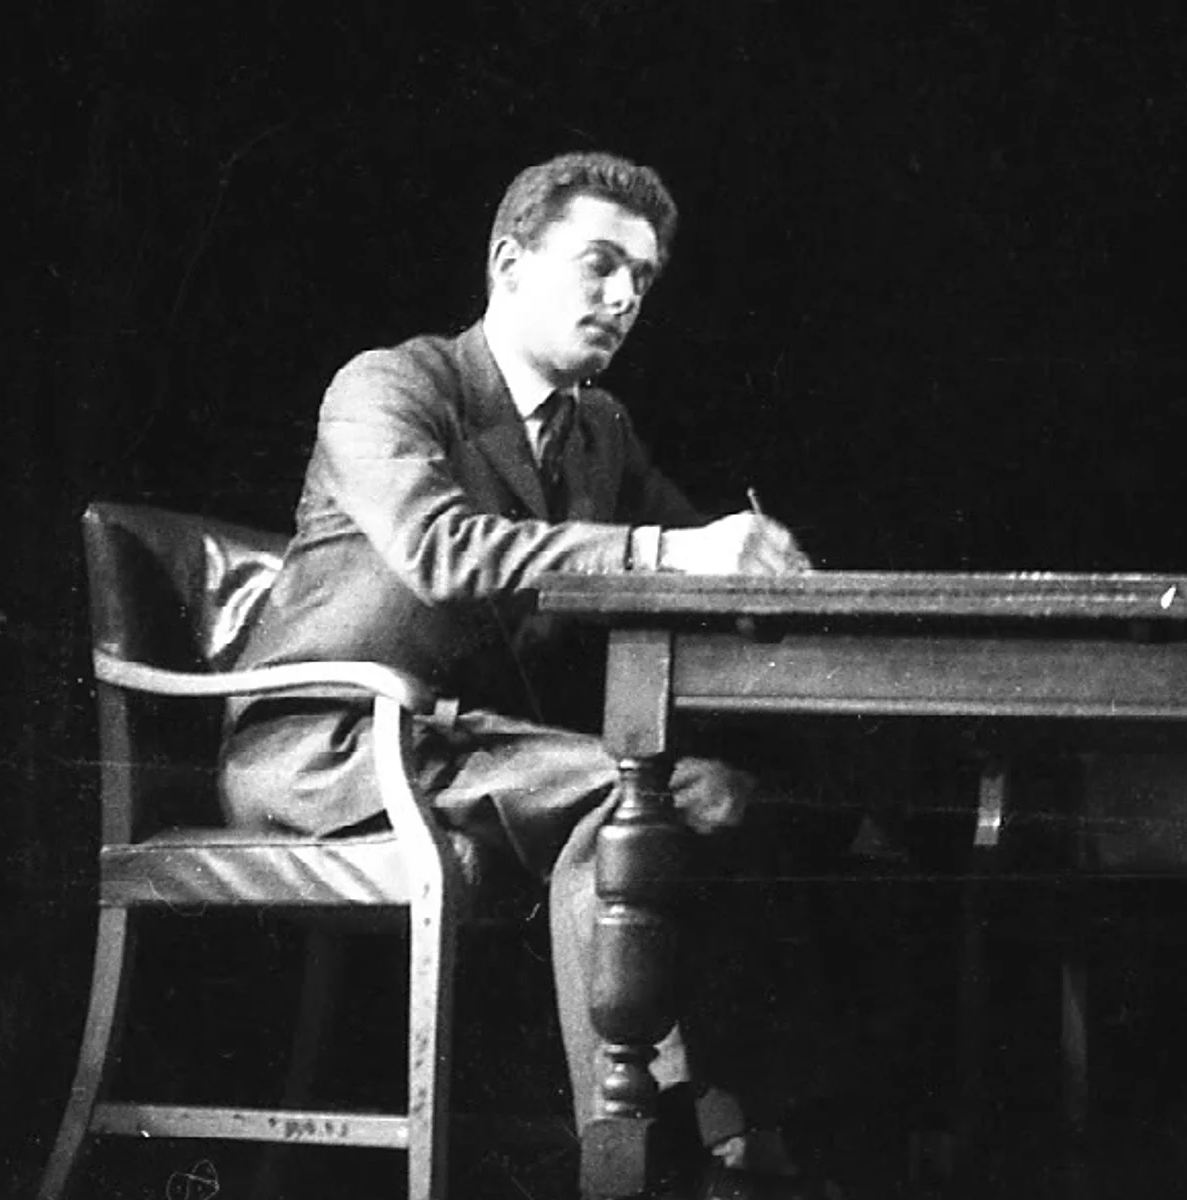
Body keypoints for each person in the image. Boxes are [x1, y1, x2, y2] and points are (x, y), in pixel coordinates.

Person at [218, 151, 824, 1194]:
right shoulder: (391, 385)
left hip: (468, 754)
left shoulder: (600, 431)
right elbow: (443, 550)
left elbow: (695, 556)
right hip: (328, 751)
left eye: (643, 278)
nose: (626, 298)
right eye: (600, 265)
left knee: (716, 795)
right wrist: (674, 552)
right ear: (509, 263)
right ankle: (642, 1157)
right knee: (628, 799)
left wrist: (778, 579)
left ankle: (717, 1131)